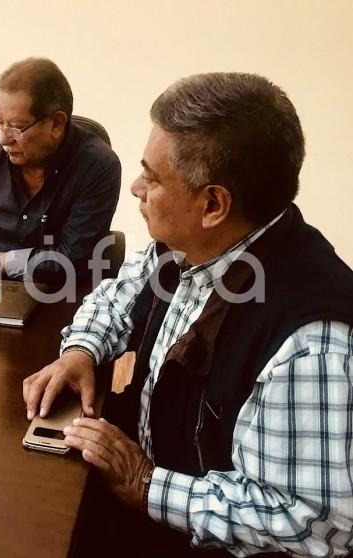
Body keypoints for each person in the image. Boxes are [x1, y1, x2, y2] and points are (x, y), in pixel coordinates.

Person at [23, 73, 353, 556]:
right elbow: (115, 296)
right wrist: (81, 349)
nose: (135, 187)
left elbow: (313, 521)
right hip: (149, 511)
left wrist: (146, 483)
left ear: (213, 203)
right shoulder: (187, 245)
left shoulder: (312, 345)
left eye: (152, 177)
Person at [0, 57, 121, 284]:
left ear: (56, 124)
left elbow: (72, 258)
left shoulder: (97, 165)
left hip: (57, 292)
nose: (4, 138)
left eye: (16, 128)